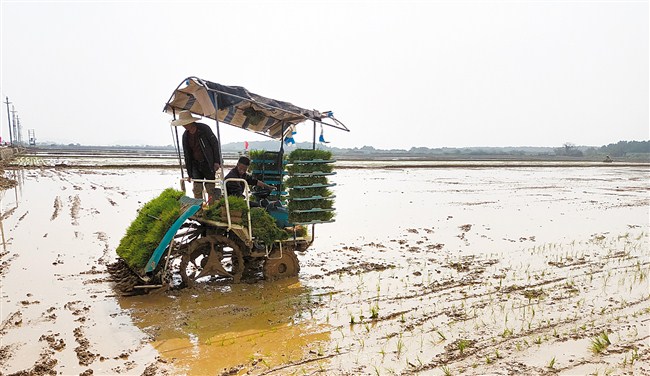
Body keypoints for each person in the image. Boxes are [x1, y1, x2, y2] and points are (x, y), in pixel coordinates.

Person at [170, 110, 222, 202]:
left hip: (208, 162)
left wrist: (217, 161)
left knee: (210, 188)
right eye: (183, 124)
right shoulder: (185, 136)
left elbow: (215, 144)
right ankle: (198, 210)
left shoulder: (204, 129)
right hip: (195, 164)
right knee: (197, 188)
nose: (184, 125)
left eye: (185, 123)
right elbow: (187, 154)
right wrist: (189, 173)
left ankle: (212, 209)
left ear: (191, 122)